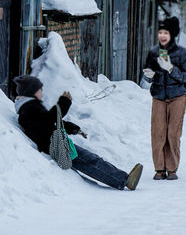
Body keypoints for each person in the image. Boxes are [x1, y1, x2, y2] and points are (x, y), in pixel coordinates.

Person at [14, 75, 143, 190]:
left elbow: (48, 122)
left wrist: (73, 128)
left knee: (91, 160)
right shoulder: (28, 109)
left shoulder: (29, 108)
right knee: (91, 161)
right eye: (38, 89)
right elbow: (50, 119)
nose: (41, 91)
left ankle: (123, 179)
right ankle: (124, 180)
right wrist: (64, 102)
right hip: (56, 146)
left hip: (56, 144)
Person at [143, 16, 186, 180]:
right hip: (158, 96)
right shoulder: (153, 52)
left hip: (177, 96)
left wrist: (170, 68)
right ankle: (159, 169)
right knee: (158, 133)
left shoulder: (182, 54)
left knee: (173, 133)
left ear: (173, 35)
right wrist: (150, 76)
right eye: (160, 32)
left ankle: (171, 169)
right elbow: (148, 73)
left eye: (166, 33)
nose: (163, 36)